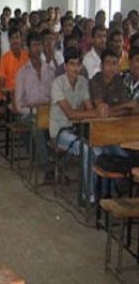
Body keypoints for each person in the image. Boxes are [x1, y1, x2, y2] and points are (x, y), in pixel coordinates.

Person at [49, 47, 108, 200]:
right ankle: (89, 196)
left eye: (78, 64)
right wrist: (94, 113)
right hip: (60, 132)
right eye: (72, 64)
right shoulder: (58, 83)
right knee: (87, 150)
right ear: (65, 66)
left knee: (99, 150)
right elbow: (70, 113)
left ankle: (93, 189)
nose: (76, 68)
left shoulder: (82, 82)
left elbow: (88, 107)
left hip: (77, 129)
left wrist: (98, 111)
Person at [15, 32, 55, 181]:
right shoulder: (22, 73)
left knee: (64, 127)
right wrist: (33, 109)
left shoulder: (50, 71)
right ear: (28, 48)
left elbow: (54, 97)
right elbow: (19, 104)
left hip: (47, 112)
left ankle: (53, 160)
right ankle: (46, 167)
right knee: (37, 126)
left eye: (40, 45)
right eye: (34, 45)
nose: (38, 49)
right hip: (28, 113)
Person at [89, 49, 134, 116]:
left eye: (114, 63)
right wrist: (123, 106)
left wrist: (113, 113)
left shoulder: (119, 80)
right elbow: (102, 110)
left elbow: (128, 110)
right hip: (97, 122)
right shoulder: (95, 81)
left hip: (117, 121)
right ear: (101, 66)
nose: (111, 67)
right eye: (108, 63)